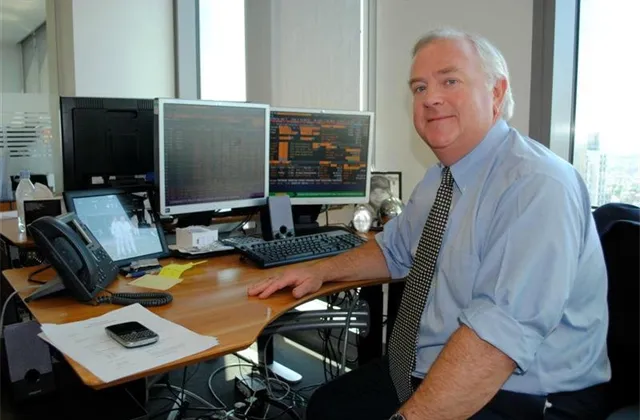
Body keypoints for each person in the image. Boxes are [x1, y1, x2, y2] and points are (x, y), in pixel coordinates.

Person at [248, 28, 611, 419]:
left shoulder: (536, 186)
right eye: (419, 88)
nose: (430, 98)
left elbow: (496, 342)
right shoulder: (441, 178)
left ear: (496, 92)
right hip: (435, 363)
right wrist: (319, 272)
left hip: (523, 391)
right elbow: (392, 251)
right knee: (327, 406)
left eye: (449, 81)